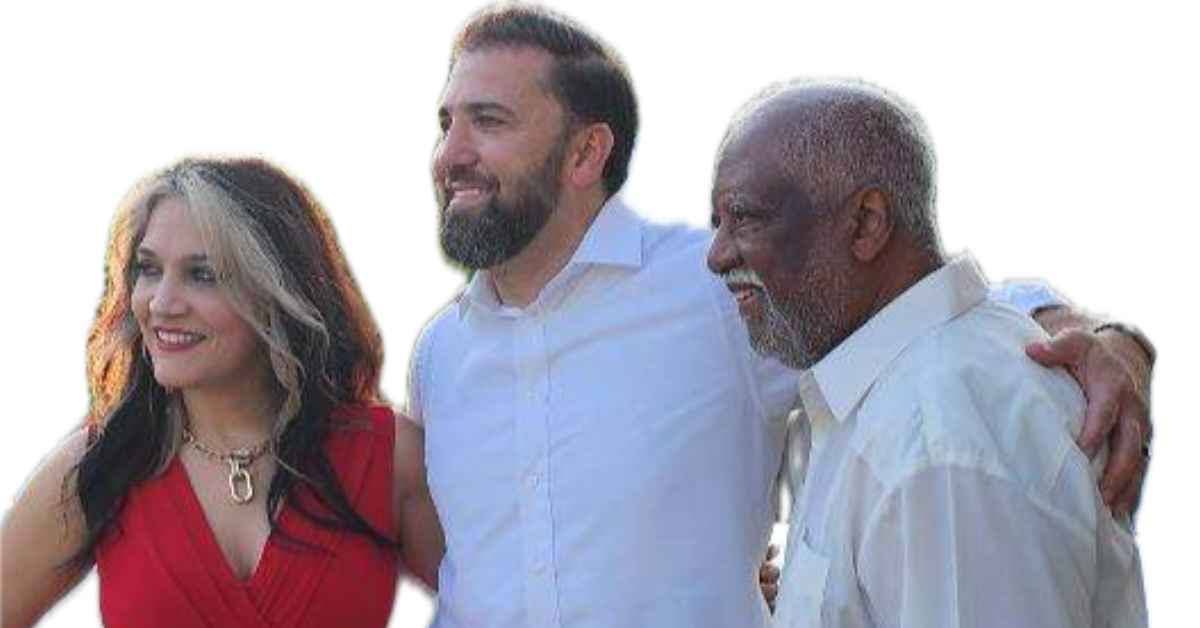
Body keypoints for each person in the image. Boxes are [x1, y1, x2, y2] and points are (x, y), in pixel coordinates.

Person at [409, 5, 1153, 628]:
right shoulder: (440, 355)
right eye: (445, 123)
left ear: (585, 151)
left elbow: (917, 304)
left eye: (489, 121)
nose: (450, 154)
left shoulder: (721, 288)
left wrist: (1103, 341)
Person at [708, 78, 1149, 627]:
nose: (717, 255)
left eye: (745, 218)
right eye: (717, 222)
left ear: (867, 222)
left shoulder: (939, 441)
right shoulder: (895, 395)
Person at [1, 157, 443, 628]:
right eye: (149, 270)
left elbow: (509, 603)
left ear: (276, 292)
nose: (161, 304)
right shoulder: (97, 467)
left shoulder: (386, 458)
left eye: (203, 274)